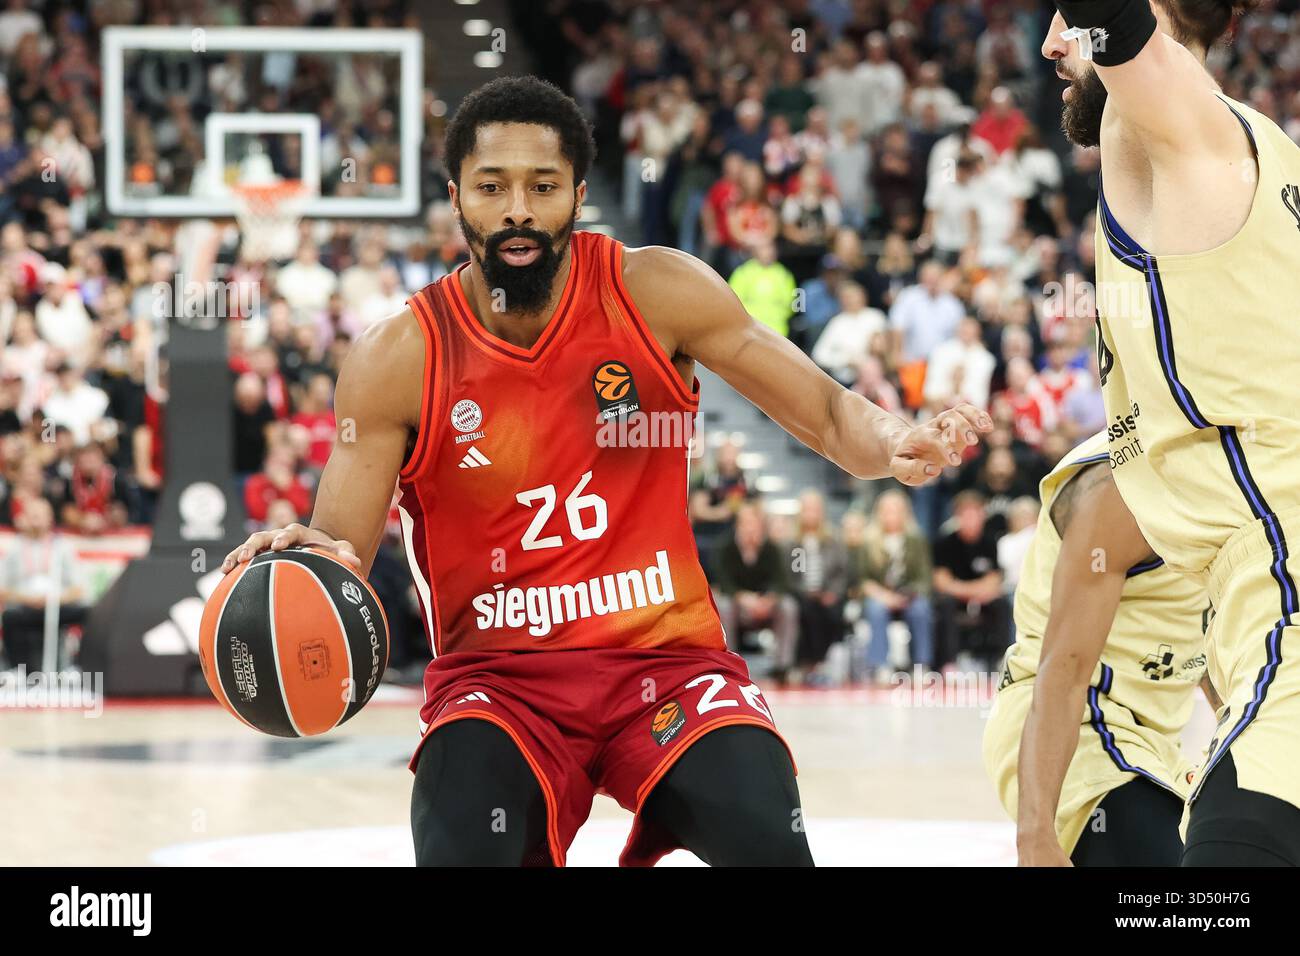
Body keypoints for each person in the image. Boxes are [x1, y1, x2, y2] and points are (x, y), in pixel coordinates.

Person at [222, 76, 988, 869]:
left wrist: (896, 437)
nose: (517, 207)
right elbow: (339, 554)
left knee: (768, 837)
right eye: (492, 186)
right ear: (457, 198)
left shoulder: (657, 292)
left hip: (668, 673)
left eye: (542, 185)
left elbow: (828, 414)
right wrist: (302, 562)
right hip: (499, 686)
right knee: (459, 843)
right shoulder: (398, 358)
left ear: (579, 195)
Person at [1046, 0, 1300, 865]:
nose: (1051, 43)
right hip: (1255, 583)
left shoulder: (1172, 121)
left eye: (1062, 22)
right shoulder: (1259, 147)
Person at [984, 433, 1212, 866]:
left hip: (1153, 742)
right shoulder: (1119, 486)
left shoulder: (1237, 470)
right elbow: (1064, 672)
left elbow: (1210, 627)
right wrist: (1034, 837)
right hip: (1078, 724)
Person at [711, 501, 800, 684]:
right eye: (747, 524)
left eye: (755, 525)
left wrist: (769, 600)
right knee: (724, 605)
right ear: (739, 525)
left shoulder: (771, 548)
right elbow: (723, 581)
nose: (751, 529)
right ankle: (730, 663)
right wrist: (744, 598)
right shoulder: (724, 547)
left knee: (788, 606)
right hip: (738, 603)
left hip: (766, 604)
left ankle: (782, 667)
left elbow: (781, 581)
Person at [0, 497, 85, 673]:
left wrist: (54, 599)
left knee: (87, 612)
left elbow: (79, 589)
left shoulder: (63, 547)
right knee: (9, 616)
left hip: (58, 604)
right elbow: (2, 588)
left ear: (50, 518)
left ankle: (76, 667)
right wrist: (28, 599)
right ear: (23, 518)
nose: (36, 521)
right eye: (32, 516)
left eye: (40, 516)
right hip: (24, 606)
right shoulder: (14, 547)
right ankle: (18, 670)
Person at [858, 489, 934, 679]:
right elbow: (862, 579)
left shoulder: (916, 540)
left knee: (921, 609)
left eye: (896, 510)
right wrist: (885, 596)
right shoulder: (868, 541)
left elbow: (924, 578)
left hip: (909, 595)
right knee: (875, 609)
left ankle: (921, 665)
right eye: (887, 511)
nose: (892, 515)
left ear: (905, 513)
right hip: (879, 595)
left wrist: (909, 594)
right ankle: (881, 665)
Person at [933, 490, 1009, 671]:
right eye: (966, 514)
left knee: (1003, 603)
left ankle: (1001, 659)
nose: (971, 519)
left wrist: (967, 589)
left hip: (982, 598)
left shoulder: (990, 542)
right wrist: (971, 592)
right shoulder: (945, 543)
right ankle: (949, 662)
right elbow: (941, 582)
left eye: (975, 513)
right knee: (945, 605)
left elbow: (994, 581)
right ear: (957, 517)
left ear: (983, 515)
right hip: (955, 598)